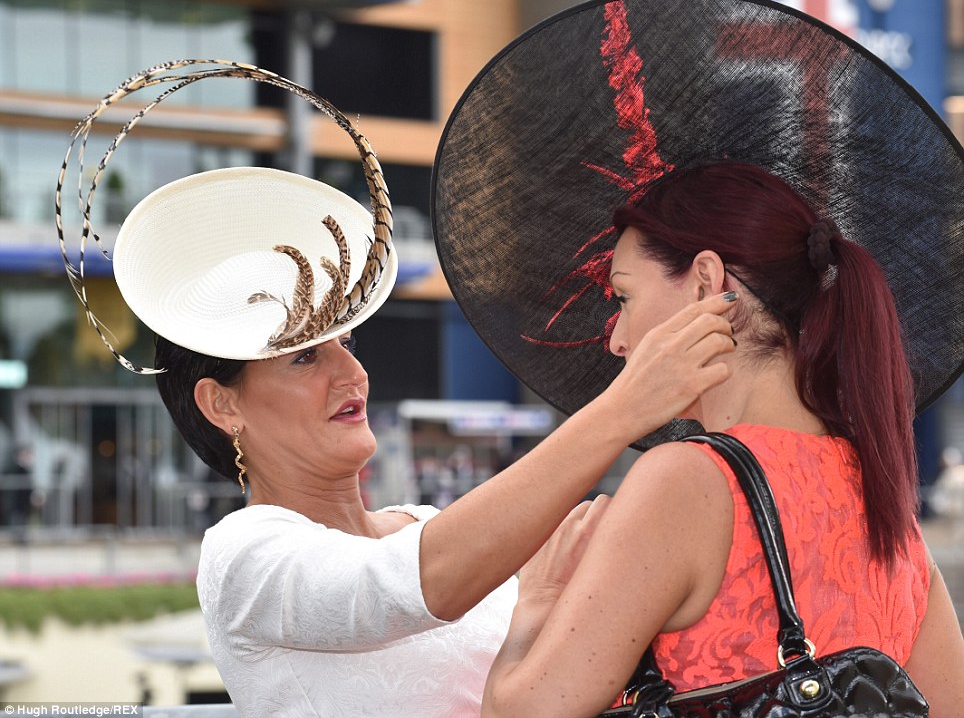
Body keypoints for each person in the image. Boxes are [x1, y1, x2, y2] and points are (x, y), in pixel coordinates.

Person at [55, 61, 738, 717]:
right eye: (302, 361)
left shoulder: (424, 525)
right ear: (221, 403)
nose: (351, 376)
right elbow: (406, 587)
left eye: (346, 345)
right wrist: (622, 409)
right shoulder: (245, 556)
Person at [480, 162, 964, 717]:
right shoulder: (885, 503)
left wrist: (536, 605)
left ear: (709, 284)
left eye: (623, 299)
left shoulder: (688, 480)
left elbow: (522, 713)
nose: (616, 340)